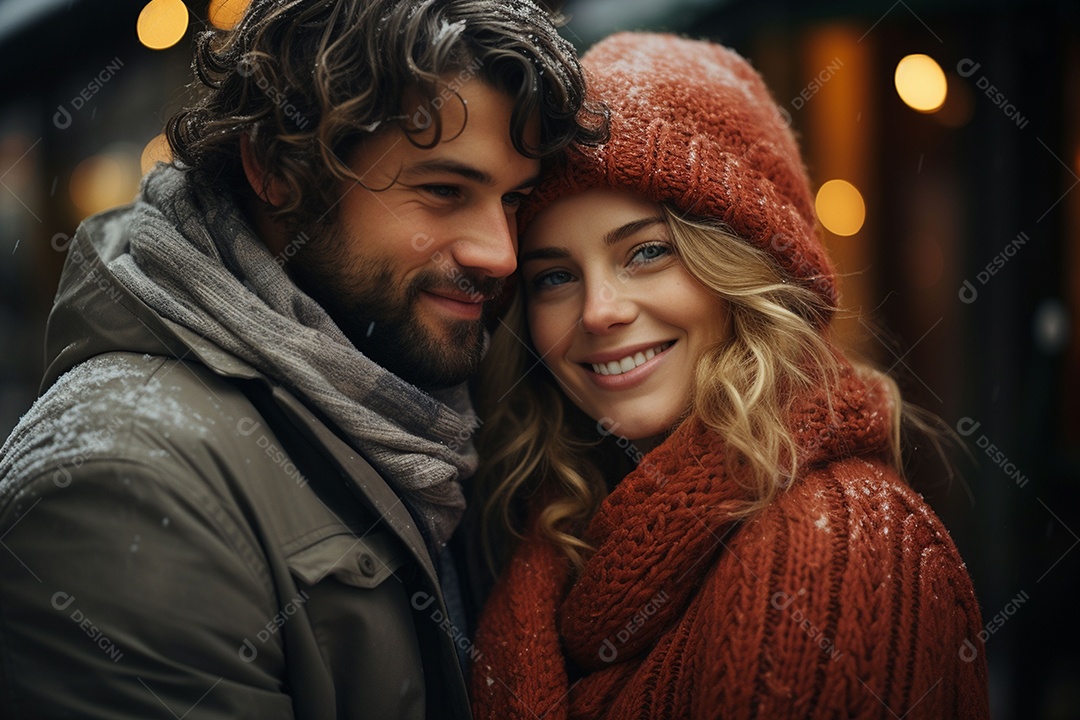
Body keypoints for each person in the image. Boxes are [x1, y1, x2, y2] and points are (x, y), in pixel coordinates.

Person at [0, 1, 604, 717]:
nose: (499, 253)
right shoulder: (123, 483)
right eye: (443, 191)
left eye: (513, 200)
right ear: (276, 169)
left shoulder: (445, 396)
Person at [469, 32, 991, 719]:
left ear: (744, 271)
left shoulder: (837, 550)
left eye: (647, 252)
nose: (599, 311)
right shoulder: (553, 532)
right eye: (556, 276)